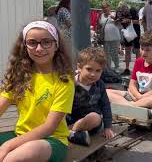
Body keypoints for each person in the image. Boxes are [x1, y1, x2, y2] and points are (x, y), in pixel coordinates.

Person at [0, 21, 74, 162]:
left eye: (46, 42)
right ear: (24, 46)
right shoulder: (19, 74)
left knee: (14, 157)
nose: (39, 49)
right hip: (20, 136)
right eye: (32, 42)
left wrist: (7, 146)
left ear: (56, 45)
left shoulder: (64, 79)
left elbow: (49, 127)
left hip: (51, 141)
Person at [107, 31, 152, 112]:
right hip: (137, 96)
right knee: (107, 92)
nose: (143, 52)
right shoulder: (138, 62)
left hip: (151, 98)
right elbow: (132, 84)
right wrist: (137, 95)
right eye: (142, 49)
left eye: (148, 50)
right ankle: (133, 107)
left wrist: (139, 98)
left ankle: (128, 107)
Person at [67, 47, 114, 146]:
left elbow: (105, 105)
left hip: (90, 123)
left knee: (95, 117)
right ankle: (72, 134)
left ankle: (70, 133)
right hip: (70, 119)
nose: (93, 74)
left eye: (98, 71)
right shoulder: (70, 83)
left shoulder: (99, 84)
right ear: (79, 67)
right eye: (89, 69)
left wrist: (107, 127)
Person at [96, 1, 121, 71]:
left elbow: (119, 23)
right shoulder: (101, 16)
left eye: (106, 7)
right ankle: (108, 68)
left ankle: (117, 66)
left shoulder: (114, 14)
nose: (105, 9)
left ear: (109, 7)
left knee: (114, 53)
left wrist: (112, 16)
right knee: (107, 55)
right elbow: (99, 25)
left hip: (115, 38)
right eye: (103, 8)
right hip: (105, 38)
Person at [116, 2, 133, 76]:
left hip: (127, 31)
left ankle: (127, 68)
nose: (121, 10)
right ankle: (126, 68)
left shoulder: (128, 12)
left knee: (128, 50)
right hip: (123, 31)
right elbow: (118, 20)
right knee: (127, 50)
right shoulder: (119, 12)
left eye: (122, 8)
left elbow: (130, 20)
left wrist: (125, 21)